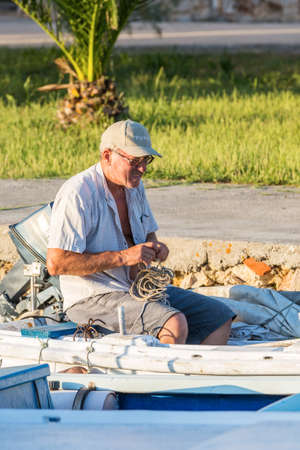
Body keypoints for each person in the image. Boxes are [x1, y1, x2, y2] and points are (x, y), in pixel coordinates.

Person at [47, 119, 235, 345]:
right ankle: (159, 379)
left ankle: (193, 377)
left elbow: (147, 236)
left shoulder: (133, 185)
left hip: (135, 291)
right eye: (135, 161)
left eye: (146, 160)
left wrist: (155, 248)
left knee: (219, 317)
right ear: (107, 156)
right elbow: (57, 263)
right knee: (174, 323)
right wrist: (125, 257)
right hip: (91, 298)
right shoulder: (77, 193)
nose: (143, 169)